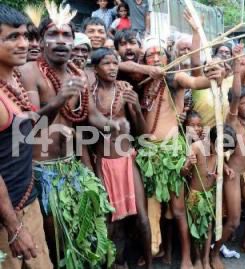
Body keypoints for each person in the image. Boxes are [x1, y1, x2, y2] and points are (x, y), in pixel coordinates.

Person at [19, 11, 117, 267]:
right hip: (42, 172)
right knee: (54, 242)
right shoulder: (29, 72)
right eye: (53, 34)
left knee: (85, 233)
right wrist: (59, 99)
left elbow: (92, 117)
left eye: (66, 35)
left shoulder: (79, 74)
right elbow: (30, 128)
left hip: (72, 167)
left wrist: (116, 120)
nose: (61, 40)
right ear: (41, 41)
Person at [135, 36, 224, 269]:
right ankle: (153, 248)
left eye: (159, 54)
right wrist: (147, 70)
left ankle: (185, 258)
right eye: (150, 55)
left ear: (168, 57)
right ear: (144, 60)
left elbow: (196, 83)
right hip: (148, 155)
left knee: (177, 209)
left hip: (172, 153)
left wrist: (214, 76)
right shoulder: (141, 81)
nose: (155, 58)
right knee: (150, 209)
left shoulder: (174, 78)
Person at [0, 4, 52, 268]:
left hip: (27, 203)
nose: (23, 44)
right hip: (6, 217)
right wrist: (13, 227)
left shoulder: (17, 80)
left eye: (26, 36)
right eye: (12, 37)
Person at [90, 48, 152, 269]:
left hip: (127, 161)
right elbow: (86, 138)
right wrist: (95, 168)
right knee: (109, 222)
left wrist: (135, 106)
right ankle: (115, 262)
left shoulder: (125, 92)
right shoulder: (90, 94)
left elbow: (144, 134)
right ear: (95, 68)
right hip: (104, 163)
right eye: (106, 64)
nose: (112, 68)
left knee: (142, 219)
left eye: (115, 63)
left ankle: (150, 264)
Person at [210, 45, 245, 268]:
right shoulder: (232, 119)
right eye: (244, 103)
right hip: (233, 174)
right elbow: (238, 94)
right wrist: (238, 69)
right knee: (232, 221)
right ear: (236, 105)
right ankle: (213, 253)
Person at [181, 124, 237, 269]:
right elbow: (182, 174)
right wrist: (188, 165)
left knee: (209, 226)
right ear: (212, 142)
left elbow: (221, 161)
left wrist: (226, 168)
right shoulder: (196, 148)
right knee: (195, 227)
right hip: (195, 196)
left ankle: (206, 259)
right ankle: (198, 259)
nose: (223, 152)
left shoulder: (219, 150)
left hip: (210, 194)